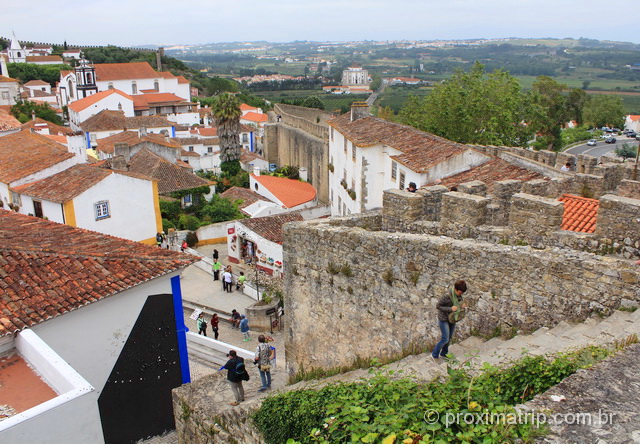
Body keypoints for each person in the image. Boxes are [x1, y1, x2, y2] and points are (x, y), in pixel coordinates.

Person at [432, 280, 468, 362]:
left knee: (449, 338)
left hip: (452, 319)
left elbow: (457, 305)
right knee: (445, 339)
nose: (461, 294)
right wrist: (450, 309)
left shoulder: (459, 296)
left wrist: (461, 306)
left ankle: (444, 354)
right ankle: (434, 354)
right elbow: (438, 306)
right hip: (444, 319)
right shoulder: (447, 296)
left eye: (462, 293)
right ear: (455, 289)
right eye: (460, 292)